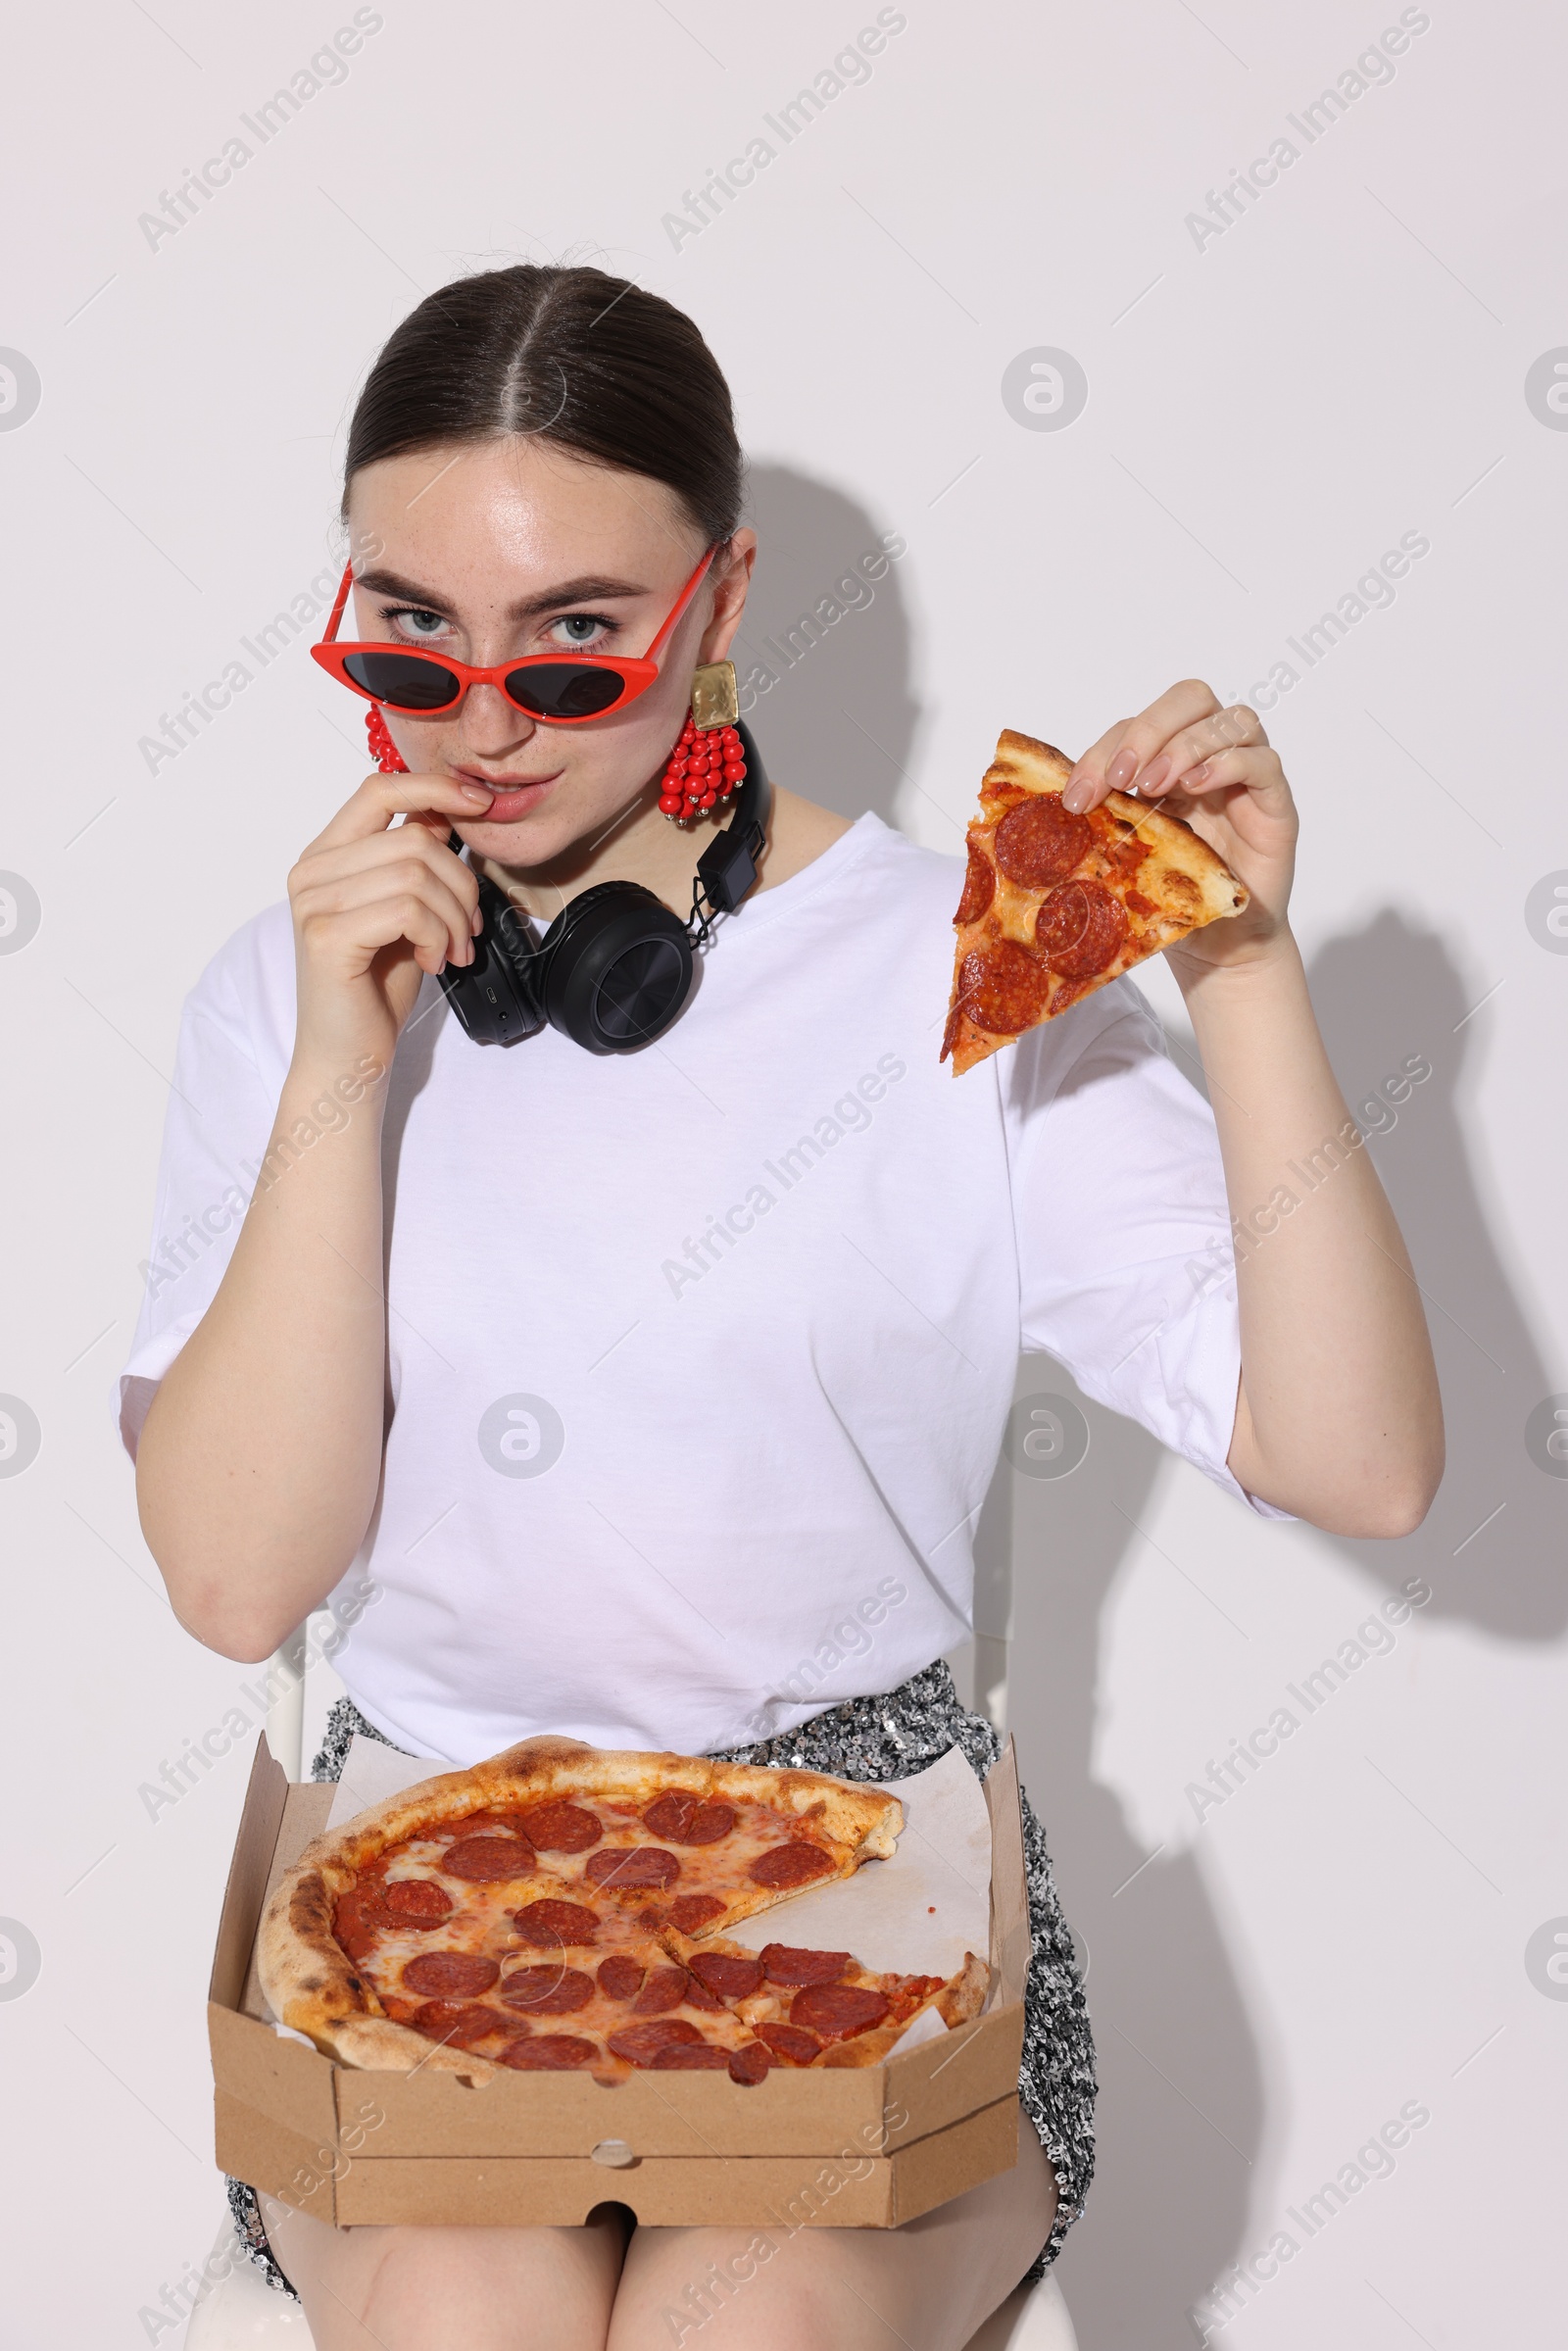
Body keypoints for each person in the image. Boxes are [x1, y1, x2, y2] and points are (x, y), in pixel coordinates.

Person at [122, 264, 1443, 2351]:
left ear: (719, 597)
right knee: (469, 2314)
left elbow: (1356, 1465)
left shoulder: (963, 956)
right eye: (409, 643)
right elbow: (230, 1579)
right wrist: (334, 1078)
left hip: (866, 1890)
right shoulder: (291, 995)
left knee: (748, 2323)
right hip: (426, 1882)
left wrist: (1240, 974)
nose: (479, 725)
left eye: (573, 652)